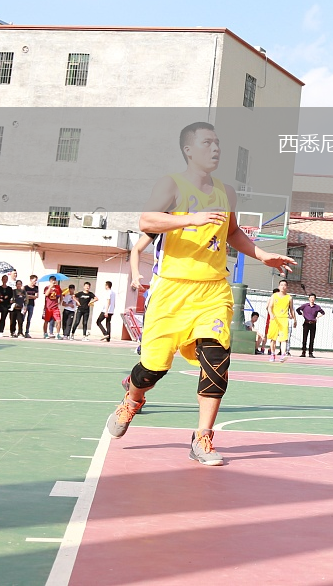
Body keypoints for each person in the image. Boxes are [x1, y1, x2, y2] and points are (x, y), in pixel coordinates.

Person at [105, 121, 294, 466]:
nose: (215, 148)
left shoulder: (227, 192)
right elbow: (147, 221)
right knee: (152, 368)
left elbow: (232, 232)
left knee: (217, 361)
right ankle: (132, 399)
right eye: (207, 142)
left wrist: (262, 254)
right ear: (188, 150)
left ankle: (202, 438)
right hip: (171, 290)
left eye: (218, 143)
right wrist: (189, 219)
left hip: (213, 290)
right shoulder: (171, 184)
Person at [265, 279, 294, 362]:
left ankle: (283, 354)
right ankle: (272, 354)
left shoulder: (289, 298)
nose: (283, 287)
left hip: (284, 319)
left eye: (285, 285)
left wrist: (294, 318)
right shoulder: (274, 296)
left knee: (283, 339)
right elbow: (269, 307)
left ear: (287, 287)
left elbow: (291, 309)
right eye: (281, 285)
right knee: (273, 338)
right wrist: (271, 314)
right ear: (279, 286)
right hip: (275, 319)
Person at [297, 293, 324, 358]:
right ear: (309, 298)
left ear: (315, 299)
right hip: (306, 323)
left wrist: (317, 317)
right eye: (311, 297)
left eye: (313, 298)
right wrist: (301, 314)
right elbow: (298, 310)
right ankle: (303, 352)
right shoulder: (305, 305)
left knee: (312, 339)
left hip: (313, 323)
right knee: (304, 338)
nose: (312, 299)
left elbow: (323, 312)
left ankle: (310, 353)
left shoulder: (317, 307)